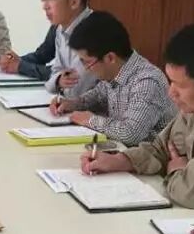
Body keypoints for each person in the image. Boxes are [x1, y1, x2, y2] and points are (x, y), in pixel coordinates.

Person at [80, 23, 194, 215]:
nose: (171, 93)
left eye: (179, 85)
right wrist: (121, 160)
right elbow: (161, 149)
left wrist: (175, 171)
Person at [48, 11, 176, 146]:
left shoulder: (147, 81)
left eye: (87, 62)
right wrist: (72, 104)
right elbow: (98, 96)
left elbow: (130, 134)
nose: (85, 68)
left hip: (150, 157)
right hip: (122, 151)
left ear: (110, 58)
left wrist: (90, 120)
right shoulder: (115, 72)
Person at [33, 0, 97, 98]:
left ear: (74, 2)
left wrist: (58, 83)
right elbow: (54, 75)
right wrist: (58, 80)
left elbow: (75, 91)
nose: (45, 6)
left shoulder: (93, 32)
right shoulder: (61, 29)